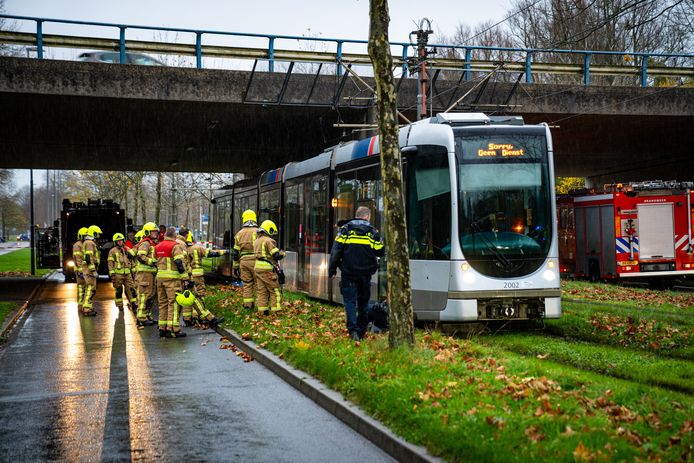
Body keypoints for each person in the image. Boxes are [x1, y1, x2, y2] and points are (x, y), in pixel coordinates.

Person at [328, 206, 384, 341]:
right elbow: (380, 251)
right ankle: (362, 330)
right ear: (368, 217)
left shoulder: (345, 230)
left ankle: (352, 331)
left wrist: (332, 269)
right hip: (365, 274)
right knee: (364, 303)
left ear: (357, 215)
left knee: (350, 302)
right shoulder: (373, 232)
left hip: (349, 273)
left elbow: (336, 251)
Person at [183, 231, 225, 327]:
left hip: (187, 276)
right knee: (199, 296)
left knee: (188, 297)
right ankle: (199, 317)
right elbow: (211, 253)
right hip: (197, 276)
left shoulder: (182, 249)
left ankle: (188, 318)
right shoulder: (197, 248)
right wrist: (224, 252)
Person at [155, 227, 188, 338]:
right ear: (174, 236)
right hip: (172, 279)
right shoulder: (175, 246)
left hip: (160, 279)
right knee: (173, 304)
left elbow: (155, 261)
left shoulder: (158, 246)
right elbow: (179, 262)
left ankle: (162, 328)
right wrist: (185, 277)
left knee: (162, 303)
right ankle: (173, 329)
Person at [253, 220, 285, 315]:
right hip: (267, 269)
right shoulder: (269, 241)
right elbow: (276, 255)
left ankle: (263, 311)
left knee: (262, 290)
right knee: (275, 290)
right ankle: (276, 311)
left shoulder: (257, 241)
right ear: (269, 230)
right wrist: (283, 254)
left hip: (257, 268)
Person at [233, 209, 258, 309]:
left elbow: (235, 253)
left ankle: (248, 305)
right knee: (259, 284)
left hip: (244, 262)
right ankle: (262, 305)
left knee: (247, 284)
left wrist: (235, 267)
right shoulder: (259, 232)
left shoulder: (239, 234)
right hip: (257, 261)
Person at [135, 222, 158, 326]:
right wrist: (152, 262)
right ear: (147, 232)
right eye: (153, 231)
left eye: (156, 231)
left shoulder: (152, 243)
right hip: (145, 274)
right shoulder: (145, 243)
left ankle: (147, 315)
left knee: (151, 295)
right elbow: (141, 257)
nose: (156, 233)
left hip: (151, 273)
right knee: (144, 295)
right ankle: (141, 318)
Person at [108, 232, 137, 311]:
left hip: (127, 274)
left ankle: (134, 304)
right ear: (115, 242)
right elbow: (110, 263)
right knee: (119, 290)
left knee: (132, 289)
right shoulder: (112, 251)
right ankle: (120, 305)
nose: (120, 242)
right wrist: (112, 274)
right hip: (118, 275)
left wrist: (128, 249)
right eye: (118, 241)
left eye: (121, 240)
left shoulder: (126, 249)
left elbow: (132, 258)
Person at [81, 225, 103, 316]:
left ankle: (88, 307)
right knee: (90, 288)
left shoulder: (88, 242)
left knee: (90, 288)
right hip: (89, 270)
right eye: (97, 233)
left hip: (88, 269)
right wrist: (93, 270)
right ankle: (87, 308)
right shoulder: (90, 243)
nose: (98, 235)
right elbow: (88, 257)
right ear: (93, 233)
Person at [73, 227, 88, 312]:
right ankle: (80, 306)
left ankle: (84, 305)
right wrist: (80, 271)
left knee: (86, 289)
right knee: (81, 289)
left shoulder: (83, 244)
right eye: (84, 236)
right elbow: (78, 259)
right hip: (80, 271)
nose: (86, 237)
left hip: (84, 270)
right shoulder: (78, 245)